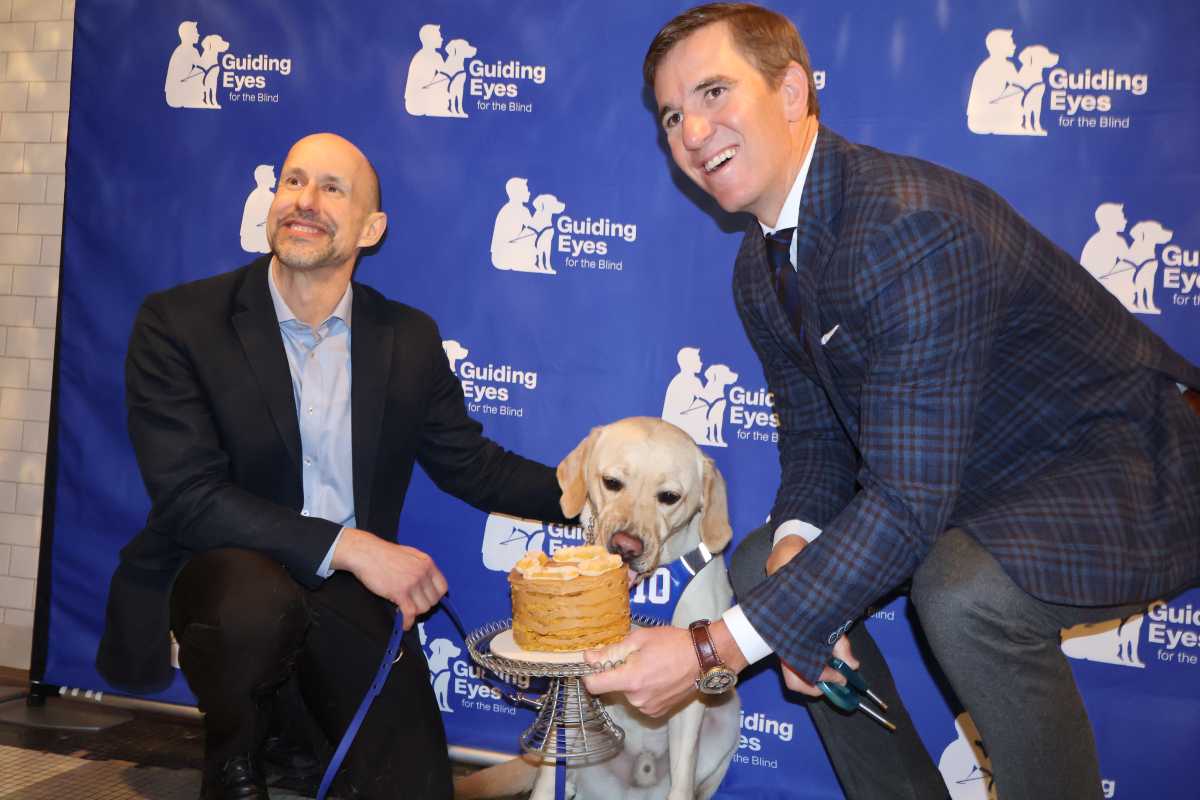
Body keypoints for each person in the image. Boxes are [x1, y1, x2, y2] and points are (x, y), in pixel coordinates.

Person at [583, 5, 1200, 800]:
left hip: (1138, 461)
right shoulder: (757, 268)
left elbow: (908, 500)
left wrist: (712, 650)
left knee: (962, 588)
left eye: (713, 93)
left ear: (794, 90)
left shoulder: (910, 226)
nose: (693, 132)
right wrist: (795, 549)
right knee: (760, 566)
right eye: (672, 115)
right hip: (976, 483)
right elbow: (815, 439)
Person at [96, 132, 565, 800]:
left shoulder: (406, 337)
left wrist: (592, 492)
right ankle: (237, 755)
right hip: (226, 576)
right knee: (254, 608)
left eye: (331, 189)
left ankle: (301, 739)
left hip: (349, 596)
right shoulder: (179, 322)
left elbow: (472, 466)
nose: (305, 201)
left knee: (415, 789)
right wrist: (356, 547)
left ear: (371, 228)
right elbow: (190, 498)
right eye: (293, 181)